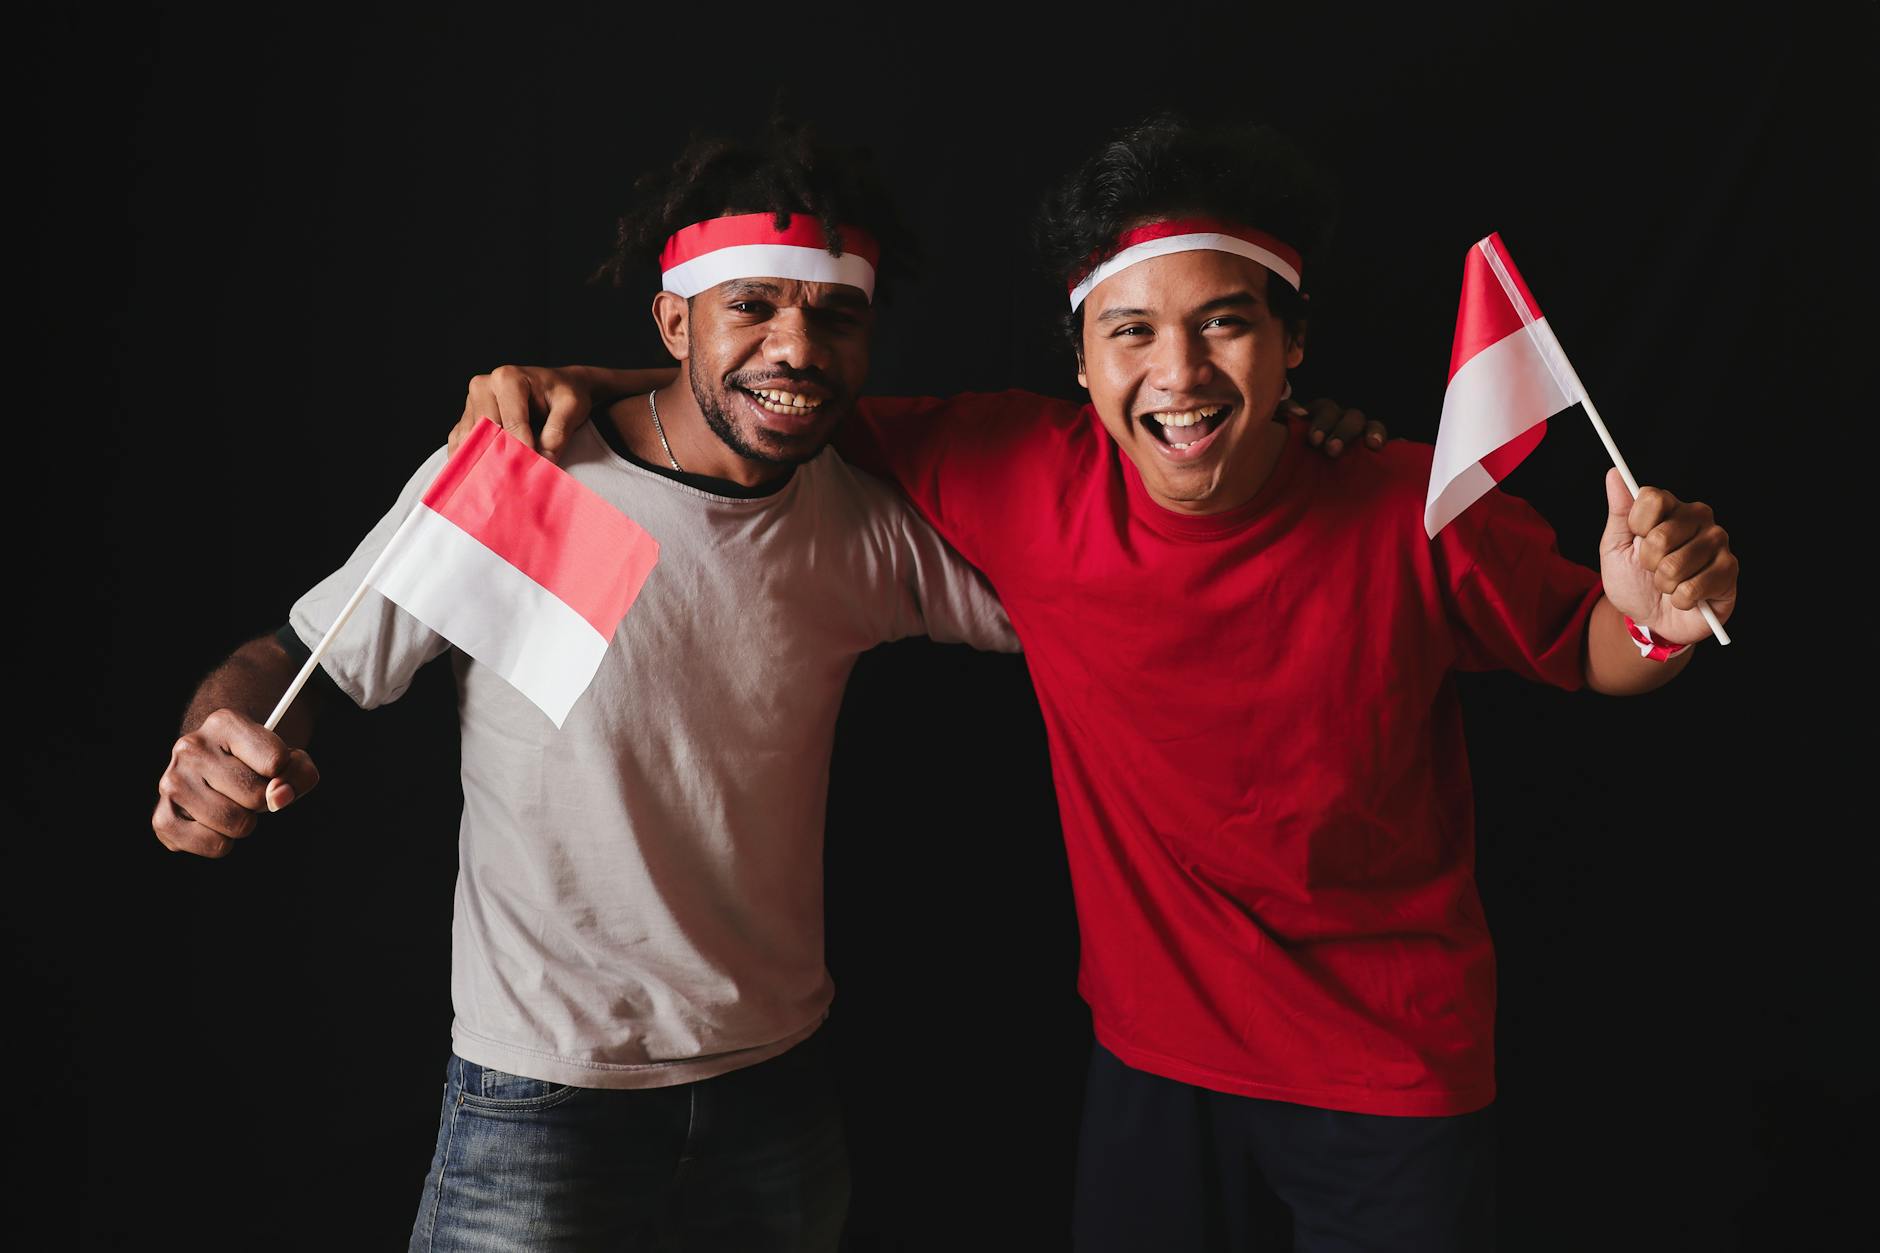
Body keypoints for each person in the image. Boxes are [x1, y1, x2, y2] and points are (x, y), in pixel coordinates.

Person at [461, 115, 1739, 1251]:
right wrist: (591, 385)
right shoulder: (1014, 467)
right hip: (1150, 1067)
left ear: (1291, 345)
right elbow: (782, 395)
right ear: (1081, 363)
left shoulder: (1414, 499)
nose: (1176, 373)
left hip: (1389, 1071)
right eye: (1131, 331)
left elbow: (1585, 650)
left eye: (1224, 323)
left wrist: (1661, 618)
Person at [151, 122, 1033, 1252]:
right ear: (674, 320)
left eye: (834, 314)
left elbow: (1086, 595)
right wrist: (215, 741)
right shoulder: (528, 478)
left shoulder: (860, 529)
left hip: (776, 1086)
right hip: (540, 1097)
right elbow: (294, 652)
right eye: (752, 305)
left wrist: (1290, 451)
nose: (796, 345)